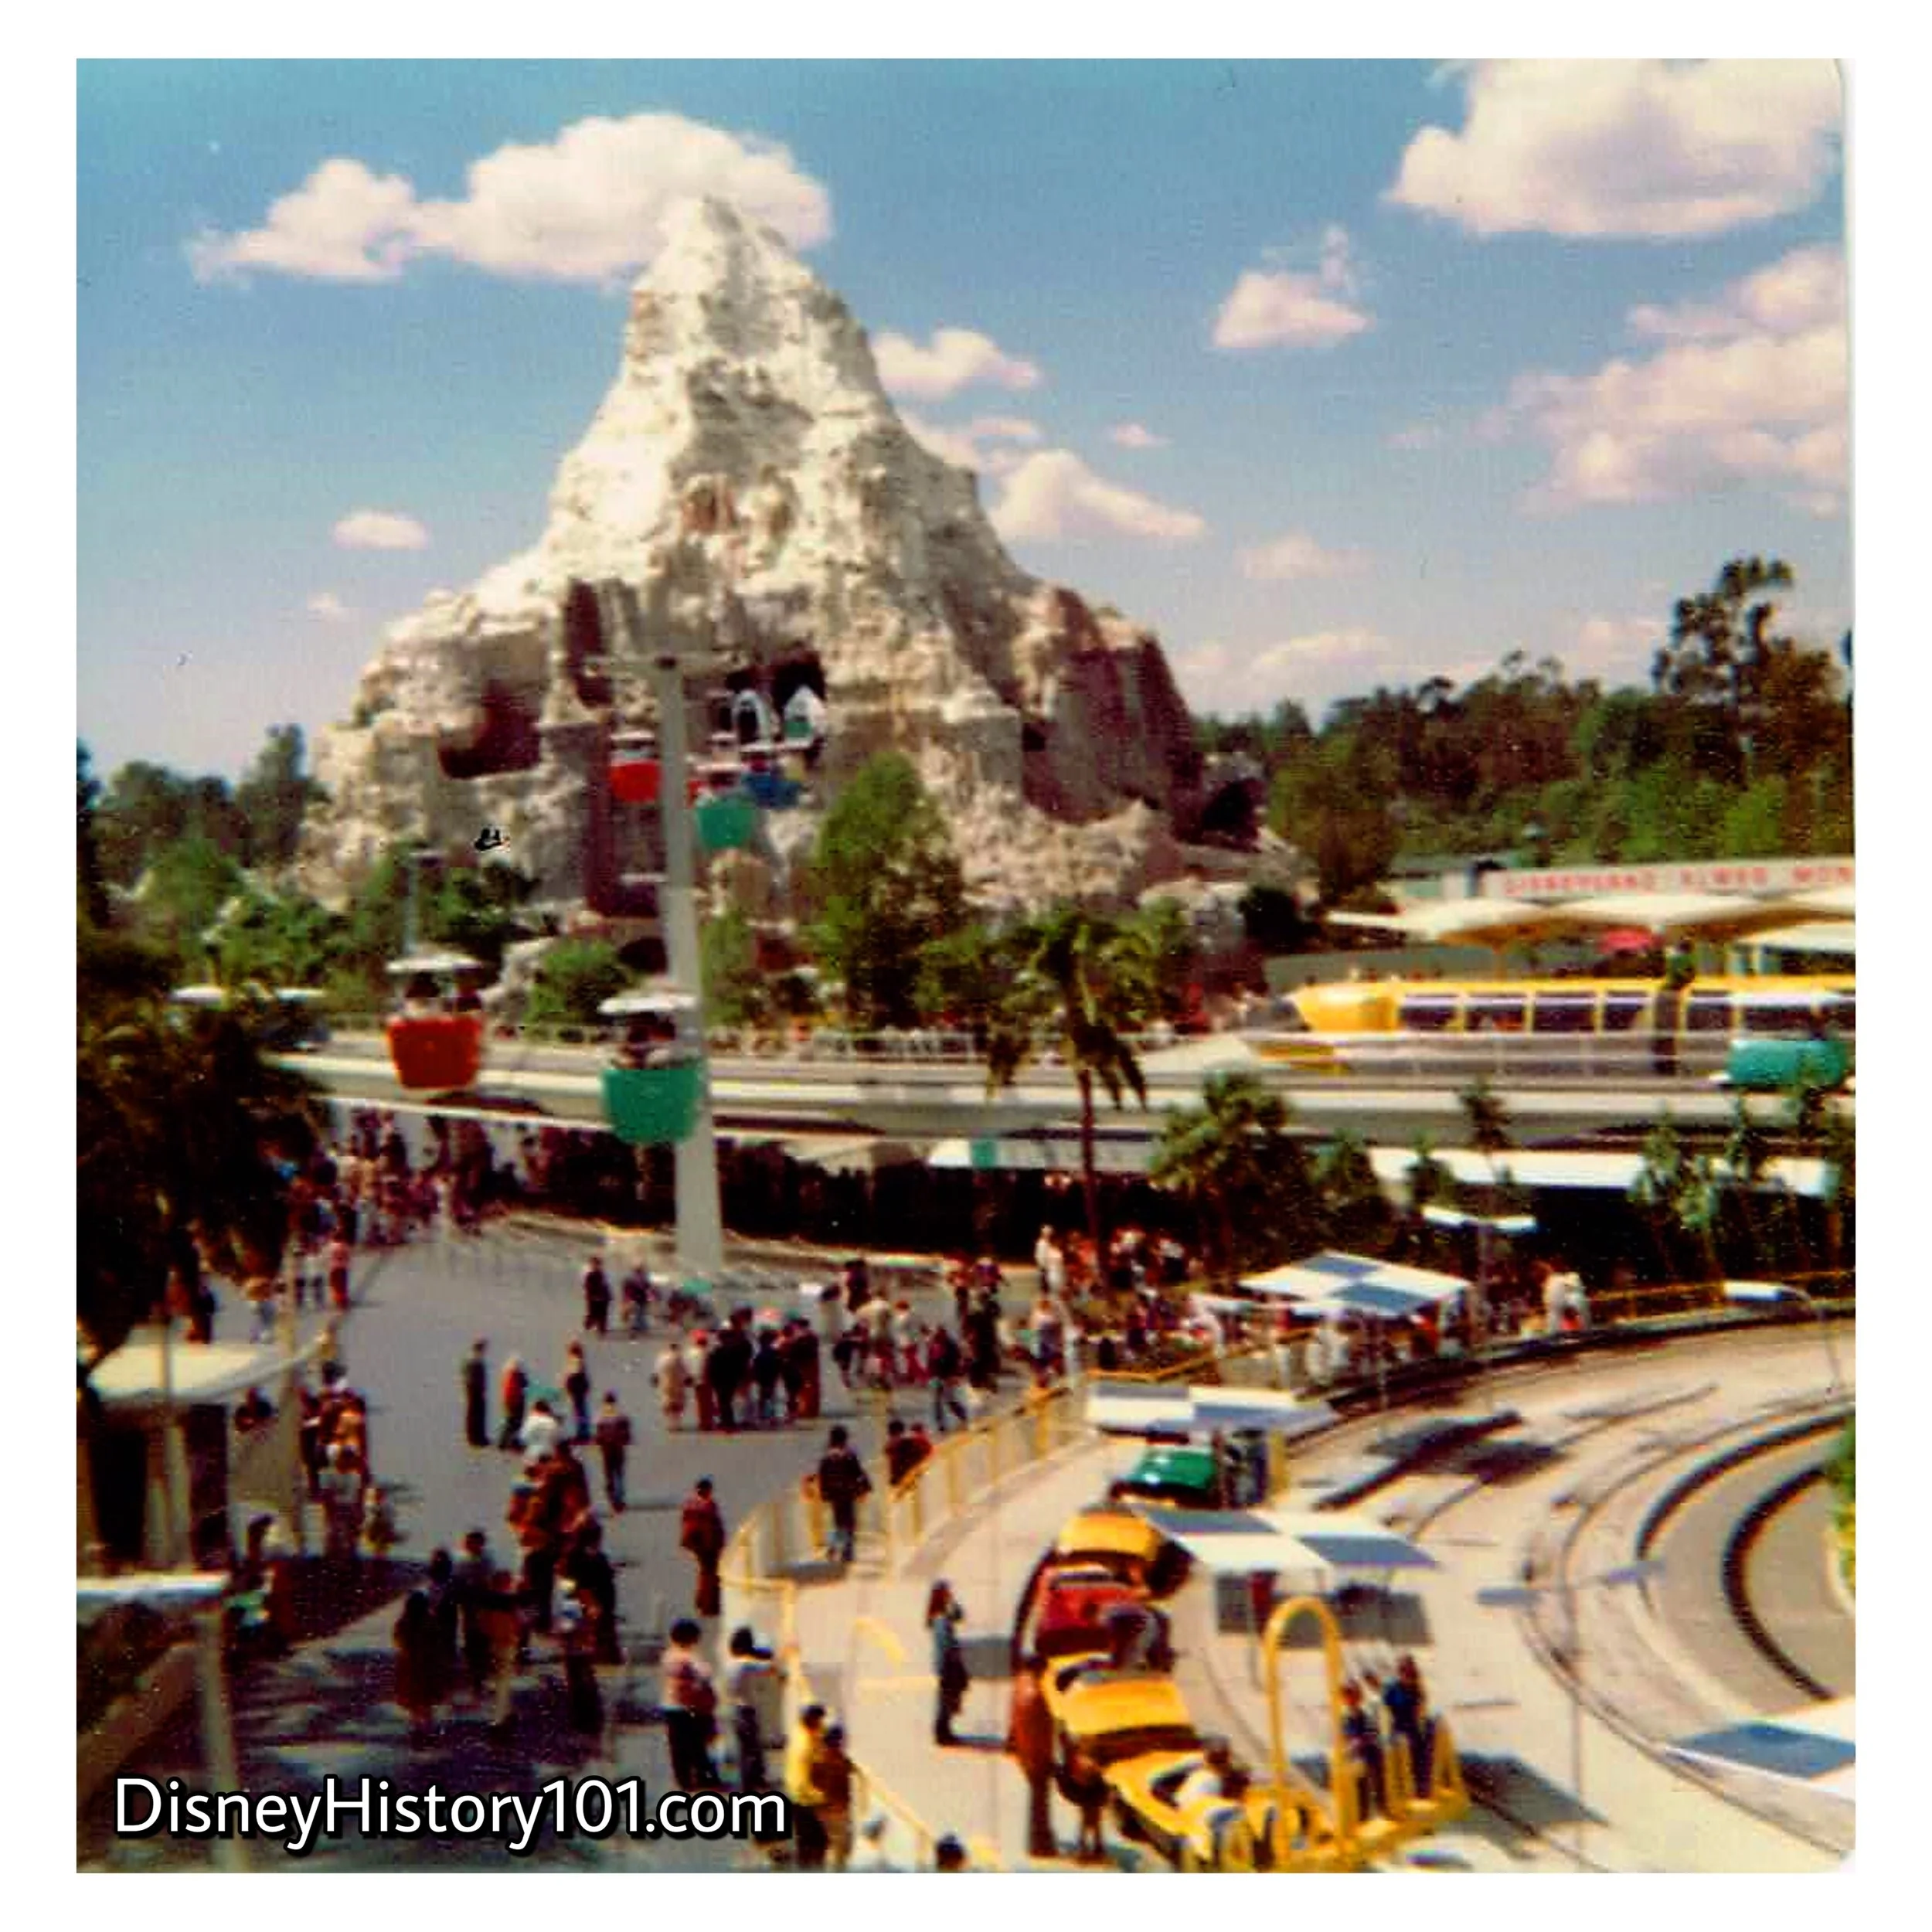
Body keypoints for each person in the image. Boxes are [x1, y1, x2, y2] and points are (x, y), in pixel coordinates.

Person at [1007, 1652, 1058, 1859]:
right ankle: (1039, 1843)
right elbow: (1042, 1730)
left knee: (1036, 1800)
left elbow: (1013, 1716)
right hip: (1038, 1754)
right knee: (1040, 1802)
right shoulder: (1037, 1695)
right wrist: (1048, 1756)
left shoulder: (1019, 1684)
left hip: (1025, 1751)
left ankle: (1038, 1839)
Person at [661, 1618, 719, 1791]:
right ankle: (703, 1778)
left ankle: (683, 1780)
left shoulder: (668, 1655)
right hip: (690, 1708)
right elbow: (706, 1673)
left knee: (677, 1747)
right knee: (696, 1744)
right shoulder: (689, 1657)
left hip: (671, 1705)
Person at [724, 1626, 778, 1792]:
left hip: (735, 1709)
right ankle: (749, 1786)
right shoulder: (746, 1663)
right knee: (750, 1749)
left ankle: (751, 1782)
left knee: (745, 1748)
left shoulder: (731, 1663)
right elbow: (769, 1668)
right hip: (746, 1711)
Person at [1379, 1655, 1435, 1798]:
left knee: (1419, 1754)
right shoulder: (1392, 1688)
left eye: (1409, 1671)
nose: (1406, 1675)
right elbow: (1385, 1710)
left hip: (1412, 1727)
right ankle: (1400, 1791)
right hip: (1397, 1727)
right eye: (1403, 1671)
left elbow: (1420, 1709)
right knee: (1398, 1754)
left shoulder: (1416, 1687)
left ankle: (1421, 1789)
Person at [817, 1427, 872, 1566]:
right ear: (845, 1438)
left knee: (837, 1523)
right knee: (850, 1523)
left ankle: (832, 1548)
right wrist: (865, 1487)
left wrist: (824, 1493)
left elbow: (822, 1476)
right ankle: (848, 1551)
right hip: (848, 1493)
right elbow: (858, 1473)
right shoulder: (849, 1454)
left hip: (834, 1494)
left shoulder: (827, 1455)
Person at [785, 1705, 830, 1869]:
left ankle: (805, 1864)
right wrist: (821, 1797)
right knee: (815, 1840)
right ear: (812, 1721)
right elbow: (801, 1782)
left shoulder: (802, 1732)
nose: (822, 1724)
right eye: (819, 1721)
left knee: (808, 1840)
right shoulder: (803, 1747)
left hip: (798, 1794)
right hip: (803, 1798)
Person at [393, 1590, 439, 1742]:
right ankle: (428, 1729)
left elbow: (398, 1641)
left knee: (414, 1701)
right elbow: (437, 1644)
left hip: (409, 1667)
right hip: (427, 1667)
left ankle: (417, 1728)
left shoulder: (403, 1622)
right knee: (427, 1701)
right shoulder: (430, 1621)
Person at [927, 1581, 968, 1746]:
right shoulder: (940, 1620)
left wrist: (952, 1601)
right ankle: (942, 1733)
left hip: (947, 1665)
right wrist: (949, 1664)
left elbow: (960, 1615)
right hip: (947, 1666)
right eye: (946, 1593)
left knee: (948, 1700)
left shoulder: (943, 1615)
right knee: (945, 1701)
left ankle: (945, 1731)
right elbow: (945, 1646)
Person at [679, 1477, 726, 1617]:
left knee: (704, 1572)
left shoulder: (690, 1504)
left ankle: (702, 1601)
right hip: (708, 1545)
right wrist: (718, 1544)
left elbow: (685, 1523)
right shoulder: (709, 1505)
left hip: (695, 1544)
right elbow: (713, 1527)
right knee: (710, 1573)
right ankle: (709, 1604)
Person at [814, 1723, 859, 1870]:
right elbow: (849, 1768)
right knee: (842, 1846)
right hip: (836, 1810)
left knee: (837, 1845)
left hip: (825, 1810)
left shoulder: (820, 1758)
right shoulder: (836, 1760)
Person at [1339, 1679, 1386, 1820]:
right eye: (1347, 1695)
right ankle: (1361, 1816)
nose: (1350, 1699)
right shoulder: (1344, 1718)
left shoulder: (1365, 1716)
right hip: (1355, 1760)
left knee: (1370, 1785)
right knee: (1358, 1790)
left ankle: (1379, 1809)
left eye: (1353, 1695)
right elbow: (1344, 1737)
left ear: (1358, 1697)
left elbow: (1372, 1734)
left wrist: (1359, 1743)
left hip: (1369, 1756)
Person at [1059, 1740, 1109, 1863]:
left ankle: (1091, 1847)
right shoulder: (1076, 1760)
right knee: (1091, 1817)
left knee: (1091, 1817)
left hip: (1091, 1790)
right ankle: (1092, 1847)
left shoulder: (1080, 1760)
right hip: (1089, 1790)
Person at [594, 1392, 633, 1512]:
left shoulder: (600, 1415)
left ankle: (612, 1499)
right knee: (619, 1473)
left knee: (609, 1474)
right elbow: (627, 1432)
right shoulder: (621, 1414)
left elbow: (598, 1435)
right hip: (618, 1448)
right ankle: (620, 1498)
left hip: (606, 1449)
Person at [655, 1337, 689, 1431]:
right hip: (678, 1385)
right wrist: (688, 1379)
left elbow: (657, 1372)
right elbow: (685, 1371)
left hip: (665, 1385)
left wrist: (657, 1381)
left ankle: (670, 1424)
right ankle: (676, 1424)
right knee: (677, 1406)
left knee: (668, 1404)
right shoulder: (679, 1357)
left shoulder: (661, 1357)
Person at [461, 1339, 488, 1448]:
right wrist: (474, 1387)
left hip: (475, 1390)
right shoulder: (474, 1361)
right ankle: (475, 1438)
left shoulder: (473, 1360)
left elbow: (464, 1374)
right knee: (475, 1414)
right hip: (474, 1391)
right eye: (483, 1349)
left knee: (478, 1414)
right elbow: (471, 1377)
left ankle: (478, 1436)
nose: (484, 1352)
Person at [498, 1355, 528, 1451]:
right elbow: (526, 1385)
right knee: (515, 1423)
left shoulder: (507, 1374)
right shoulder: (518, 1375)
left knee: (510, 1422)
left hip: (508, 1401)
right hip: (517, 1401)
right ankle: (509, 1442)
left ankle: (505, 1442)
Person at [563, 1343, 592, 1444]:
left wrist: (567, 1385)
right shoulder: (579, 1362)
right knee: (582, 1411)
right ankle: (583, 1431)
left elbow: (573, 1376)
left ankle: (582, 1433)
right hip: (580, 1391)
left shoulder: (575, 1362)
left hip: (577, 1391)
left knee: (579, 1412)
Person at [582, 1255, 612, 1335]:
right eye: (593, 1265)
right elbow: (587, 1287)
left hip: (604, 1299)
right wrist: (593, 1296)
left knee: (603, 1315)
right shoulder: (589, 1276)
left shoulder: (603, 1274)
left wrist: (608, 1296)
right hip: (593, 1299)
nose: (595, 1266)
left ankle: (602, 1329)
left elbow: (607, 1286)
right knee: (592, 1314)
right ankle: (588, 1325)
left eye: (597, 1264)